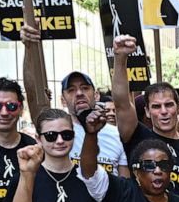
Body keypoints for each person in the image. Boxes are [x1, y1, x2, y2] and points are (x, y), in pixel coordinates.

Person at [22, 24, 129, 177]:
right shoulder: (55, 133)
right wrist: (30, 47)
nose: (79, 93)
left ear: (96, 95)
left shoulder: (116, 135)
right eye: (71, 90)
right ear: (63, 100)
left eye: (85, 88)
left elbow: (124, 185)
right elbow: (32, 92)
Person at [110, 35, 179, 201]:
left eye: (169, 105)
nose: (164, 111)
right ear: (146, 111)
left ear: (178, 108)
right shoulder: (138, 137)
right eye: (156, 106)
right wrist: (120, 58)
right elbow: (121, 102)